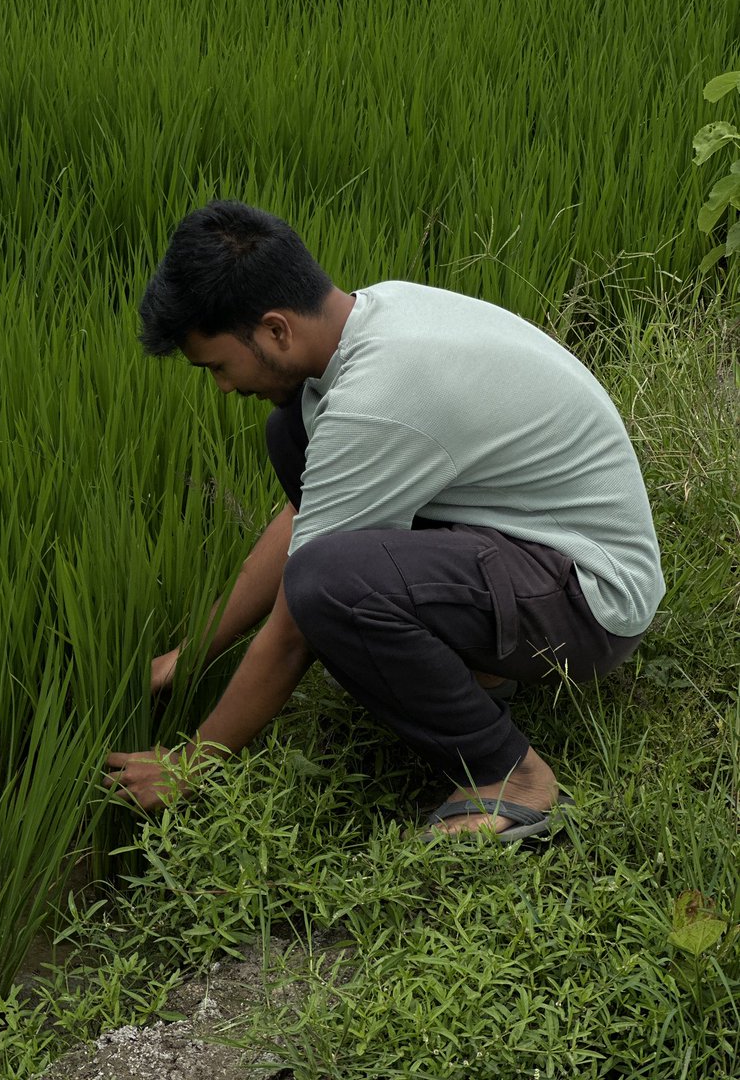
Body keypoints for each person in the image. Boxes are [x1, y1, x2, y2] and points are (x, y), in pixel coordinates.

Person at [104, 201, 665, 840]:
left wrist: (190, 764)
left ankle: (513, 777)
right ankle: (476, 669)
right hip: (531, 542)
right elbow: (309, 512)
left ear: (275, 330)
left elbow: (296, 621)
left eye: (218, 367)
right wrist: (191, 654)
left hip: (592, 600)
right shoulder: (368, 316)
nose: (223, 388)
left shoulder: (379, 400)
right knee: (292, 434)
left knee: (329, 585)